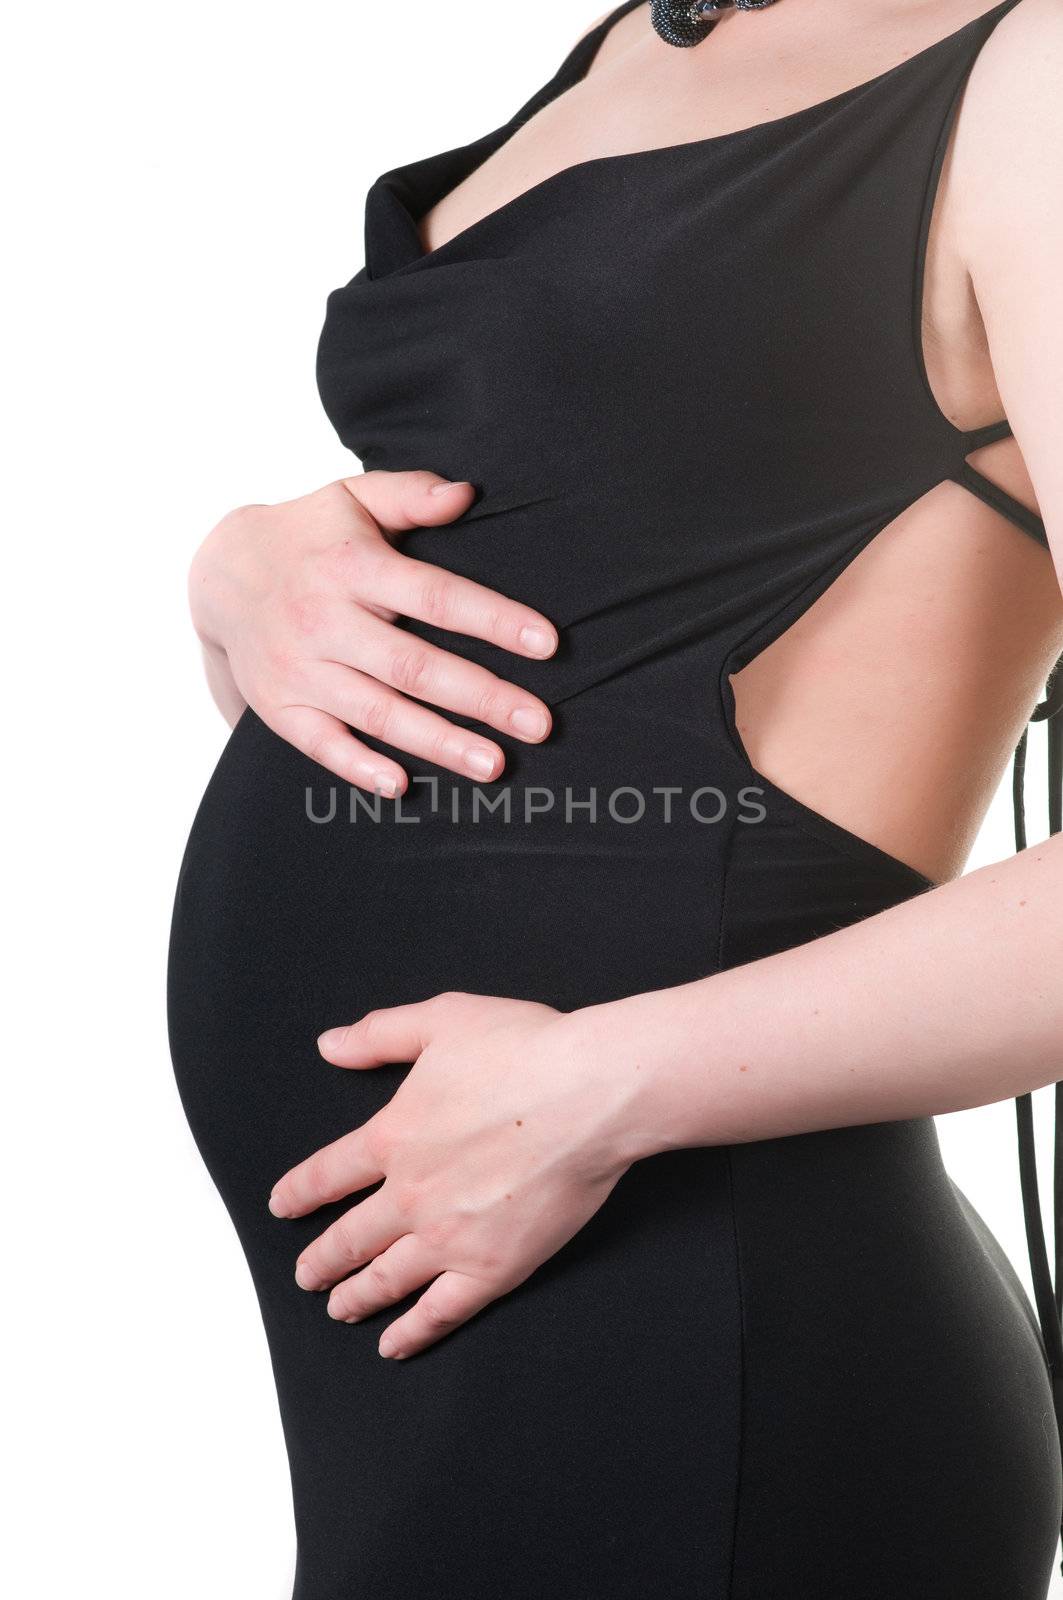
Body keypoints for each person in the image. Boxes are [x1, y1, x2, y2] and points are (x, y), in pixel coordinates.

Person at [168, 1, 1063, 1594]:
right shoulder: (640, 39)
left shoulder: (1037, 77)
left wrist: (601, 1089)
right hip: (440, 1366)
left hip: (713, 1346)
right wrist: (241, 590)